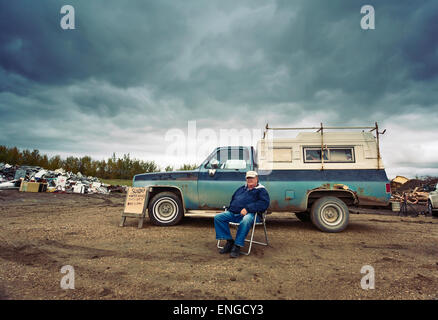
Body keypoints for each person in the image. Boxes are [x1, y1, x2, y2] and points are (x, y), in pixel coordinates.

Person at [214, 171, 270, 258]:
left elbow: (264, 204)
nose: (250, 180)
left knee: (246, 220)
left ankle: (237, 246)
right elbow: (233, 200)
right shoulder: (241, 189)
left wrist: (248, 208)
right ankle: (229, 241)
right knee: (218, 218)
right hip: (235, 213)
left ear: (256, 179)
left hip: (252, 215)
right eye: (248, 178)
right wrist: (231, 209)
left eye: (252, 178)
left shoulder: (261, 190)